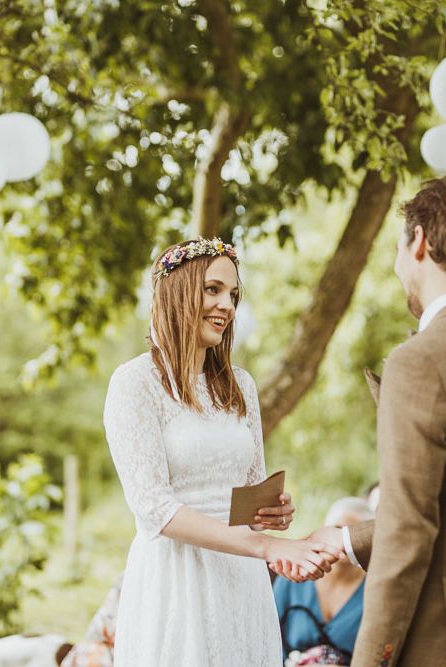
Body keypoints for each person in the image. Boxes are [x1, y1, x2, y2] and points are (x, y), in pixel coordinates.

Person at [281, 177, 446, 666]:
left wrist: (371, 658)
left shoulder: (419, 361)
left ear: (420, 241)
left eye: (397, 247)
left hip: (441, 642)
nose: (397, 265)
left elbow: (409, 533)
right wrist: (346, 539)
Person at [104, 238, 342, 666]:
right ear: (176, 293)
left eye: (232, 294)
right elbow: (154, 508)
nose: (227, 306)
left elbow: (251, 490)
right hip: (177, 579)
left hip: (241, 578)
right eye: (212, 290)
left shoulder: (241, 386)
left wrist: (273, 513)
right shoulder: (134, 384)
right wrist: (269, 548)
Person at [275, 497, 373, 664]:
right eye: (338, 529)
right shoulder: (293, 577)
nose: (343, 541)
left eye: (351, 533)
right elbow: (270, 632)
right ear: (324, 529)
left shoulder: (374, 589)